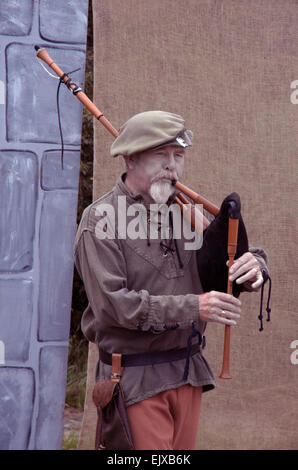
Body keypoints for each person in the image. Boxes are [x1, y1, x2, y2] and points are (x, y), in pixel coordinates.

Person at [74, 110, 268, 450]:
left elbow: (228, 261)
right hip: (134, 379)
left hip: (187, 373)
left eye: (178, 156)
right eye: (160, 155)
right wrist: (196, 306)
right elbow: (113, 306)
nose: (172, 167)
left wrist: (255, 266)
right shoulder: (100, 221)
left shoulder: (186, 211)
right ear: (131, 159)